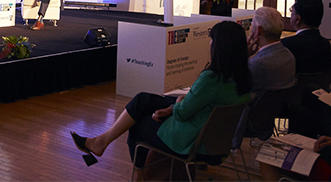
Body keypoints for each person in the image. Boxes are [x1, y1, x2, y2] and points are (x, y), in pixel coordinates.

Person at [70, 21, 252, 178]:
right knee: (143, 100)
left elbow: (182, 113)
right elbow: (201, 104)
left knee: (137, 123)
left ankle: (137, 176)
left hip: (191, 141)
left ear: (219, 47)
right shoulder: (243, 79)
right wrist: (175, 106)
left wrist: (179, 101)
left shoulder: (212, 79)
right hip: (216, 142)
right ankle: (101, 142)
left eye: (212, 40)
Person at [247, 6, 297, 96]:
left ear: (258, 30)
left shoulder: (256, 64)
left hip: (257, 108)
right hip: (279, 107)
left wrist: (242, 57)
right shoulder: (289, 55)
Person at [281, 0, 331, 74]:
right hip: (320, 86)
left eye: (292, 11)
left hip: (295, 86)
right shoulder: (326, 45)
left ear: (298, 19)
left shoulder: (287, 45)